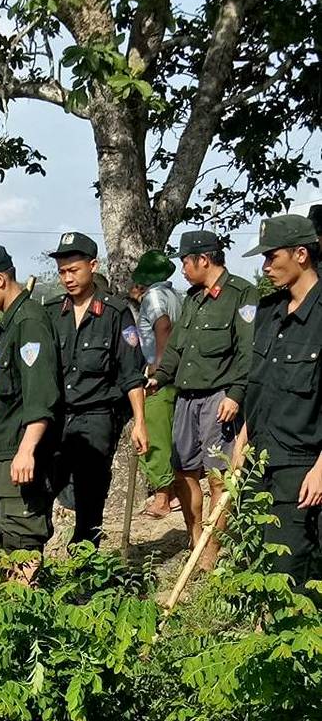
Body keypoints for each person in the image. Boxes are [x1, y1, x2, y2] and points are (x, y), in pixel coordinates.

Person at [148, 230, 258, 568]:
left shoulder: (242, 295)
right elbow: (177, 348)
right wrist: (158, 378)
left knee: (217, 477)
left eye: (185, 262)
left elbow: (247, 351)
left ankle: (211, 551)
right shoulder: (193, 299)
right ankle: (195, 536)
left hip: (218, 398)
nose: (182, 269)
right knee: (184, 472)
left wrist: (236, 395)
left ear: (204, 260)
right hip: (186, 398)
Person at [0, 246, 61, 582]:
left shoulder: (30, 322)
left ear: (0, 279)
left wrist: (27, 450)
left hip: (21, 449)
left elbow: (40, 394)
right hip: (1, 449)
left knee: (22, 536)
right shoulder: (11, 323)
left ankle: (21, 609)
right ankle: (1, 597)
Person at [45, 232, 148, 547]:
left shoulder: (116, 314)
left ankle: (84, 576)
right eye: (62, 272)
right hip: (57, 418)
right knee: (42, 490)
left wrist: (140, 422)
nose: (68, 278)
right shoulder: (50, 313)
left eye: (74, 270)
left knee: (90, 503)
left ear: (93, 265)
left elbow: (131, 373)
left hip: (96, 419)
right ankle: (30, 571)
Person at [238, 215, 322, 586]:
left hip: (302, 466)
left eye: (272, 257)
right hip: (260, 461)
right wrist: (241, 443)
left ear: (301, 254)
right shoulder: (269, 313)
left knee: (290, 574)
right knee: (259, 567)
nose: (266, 266)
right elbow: (258, 386)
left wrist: (321, 468)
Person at [130, 250, 184, 518]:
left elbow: (162, 327)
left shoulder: (153, 296)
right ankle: (172, 492)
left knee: (153, 434)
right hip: (177, 373)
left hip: (159, 374)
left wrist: (157, 368)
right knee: (169, 431)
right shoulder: (174, 294)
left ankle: (163, 497)